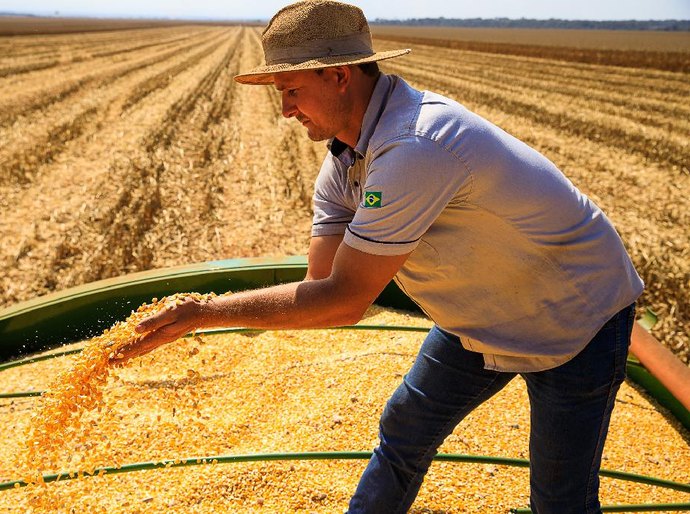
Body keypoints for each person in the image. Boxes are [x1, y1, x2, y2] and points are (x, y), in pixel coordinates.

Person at [113, 1, 644, 512]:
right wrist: (209, 315)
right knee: (404, 430)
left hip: (576, 315)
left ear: (340, 75)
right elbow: (322, 285)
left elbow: (344, 302)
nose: (285, 110)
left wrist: (203, 315)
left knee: (559, 497)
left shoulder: (416, 144)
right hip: (479, 317)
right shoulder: (345, 163)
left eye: (292, 89)